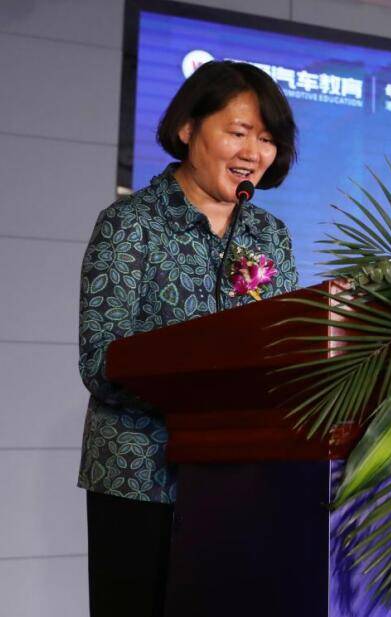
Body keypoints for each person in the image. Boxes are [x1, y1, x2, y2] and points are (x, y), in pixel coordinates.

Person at [77, 60, 300, 616]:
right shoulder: (130, 224)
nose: (253, 152)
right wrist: (205, 396)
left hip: (243, 483)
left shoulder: (269, 235)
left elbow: (287, 352)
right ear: (186, 128)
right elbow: (101, 361)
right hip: (141, 479)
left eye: (267, 139)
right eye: (239, 132)